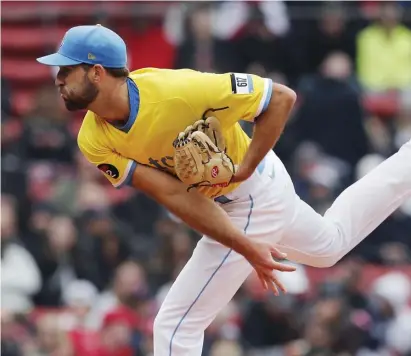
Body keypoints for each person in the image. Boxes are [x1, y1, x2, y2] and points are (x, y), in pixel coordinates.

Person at [37, 25, 411, 356]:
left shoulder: (177, 91)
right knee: (329, 246)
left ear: (98, 72)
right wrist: (246, 245)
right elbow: (175, 196)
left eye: (66, 69)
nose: (57, 77)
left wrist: (245, 167)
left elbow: (280, 98)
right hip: (239, 197)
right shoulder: (92, 137)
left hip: (251, 190)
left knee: (175, 325)